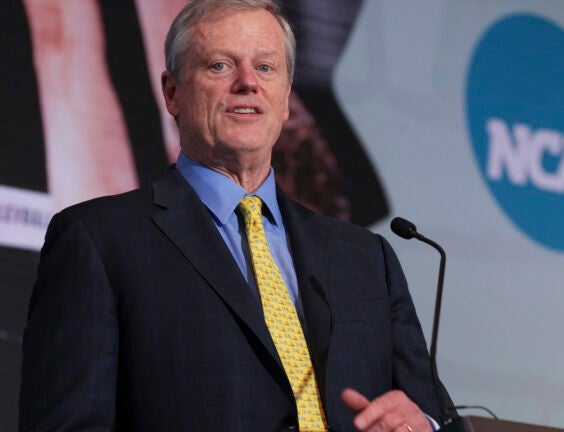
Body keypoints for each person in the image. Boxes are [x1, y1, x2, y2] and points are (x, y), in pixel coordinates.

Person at [19, 0, 451, 431]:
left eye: (266, 68)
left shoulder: (366, 257)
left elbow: (438, 416)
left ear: (286, 98)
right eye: (220, 66)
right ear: (172, 93)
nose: (248, 83)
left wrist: (425, 425)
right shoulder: (99, 241)